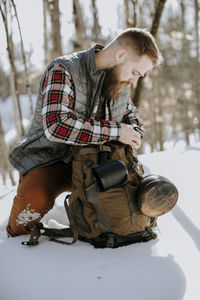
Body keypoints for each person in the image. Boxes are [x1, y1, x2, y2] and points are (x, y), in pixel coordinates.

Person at [6, 28, 162, 237]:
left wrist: (133, 132)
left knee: (128, 202)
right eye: (135, 72)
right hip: (50, 160)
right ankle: (15, 245)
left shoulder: (120, 81)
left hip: (93, 163)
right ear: (121, 55)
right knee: (34, 202)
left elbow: (133, 119)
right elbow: (57, 126)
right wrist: (116, 131)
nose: (134, 81)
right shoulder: (64, 69)